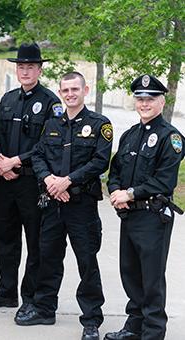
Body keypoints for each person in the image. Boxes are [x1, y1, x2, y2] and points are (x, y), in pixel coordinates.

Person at [14, 71, 111, 340]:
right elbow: (39, 155)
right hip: (54, 202)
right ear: (61, 91)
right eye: (65, 90)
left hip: (81, 205)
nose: (70, 94)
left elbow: (100, 161)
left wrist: (67, 181)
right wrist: (49, 181)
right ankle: (45, 308)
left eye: (75, 89)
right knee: (48, 258)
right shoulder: (52, 124)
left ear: (85, 90)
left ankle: (91, 320)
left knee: (87, 262)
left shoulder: (100, 123)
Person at [0, 42, 62, 317]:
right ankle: (6, 291)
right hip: (5, 180)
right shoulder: (8, 99)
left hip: (32, 183)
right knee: (4, 237)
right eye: (21, 67)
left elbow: (49, 144)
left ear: (39, 69)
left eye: (30, 67)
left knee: (35, 241)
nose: (25, 72)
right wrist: (0, 161)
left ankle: (31, 296)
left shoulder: (51, 103)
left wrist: (17, 161)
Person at [105, 75, 184, 340]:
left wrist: (128, 193)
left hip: (153, 217)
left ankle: (153, 333)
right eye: (140, 99)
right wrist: (115, 191)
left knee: (151, 279)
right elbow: (115, 169)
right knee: (130, 273)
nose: (144, 103)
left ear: (162, 101)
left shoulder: (171, 138)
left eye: (150, 99)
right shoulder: (130, 135)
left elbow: (164, 180)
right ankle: (134, 327)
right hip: (129, 215)